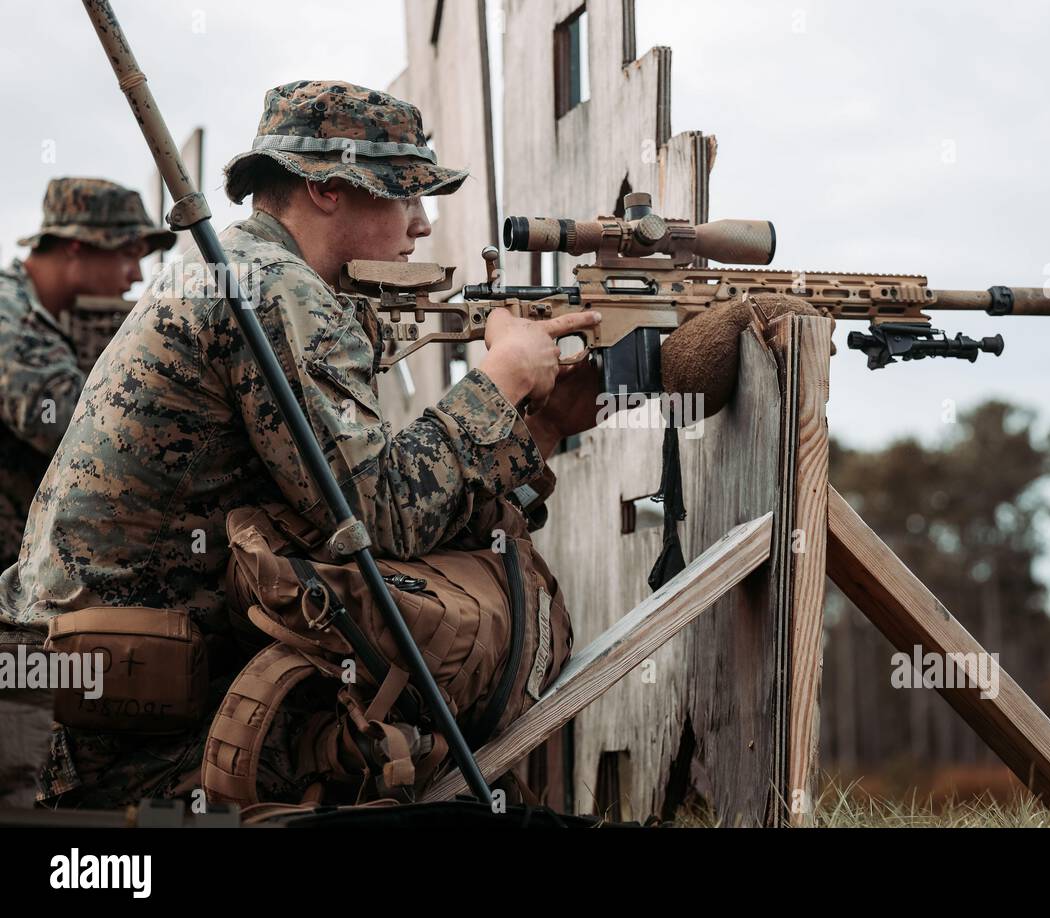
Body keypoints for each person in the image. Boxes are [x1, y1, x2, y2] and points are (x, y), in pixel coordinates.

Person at [0, 80, 602, 807]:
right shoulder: (272, 288)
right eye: (405, 195)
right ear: (324, 187)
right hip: (118, 734)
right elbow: (379, 520)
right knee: (405, 736)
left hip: (91, 689)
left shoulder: (240, 269)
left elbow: (358, 498)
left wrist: (536, 428)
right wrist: (500, 381)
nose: (421, 224)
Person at [0, 177, 174, 569]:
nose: (137, 276)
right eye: (129, 254)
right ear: (76, 246)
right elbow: (75, 432)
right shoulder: (11, 317)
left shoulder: (44, 314)